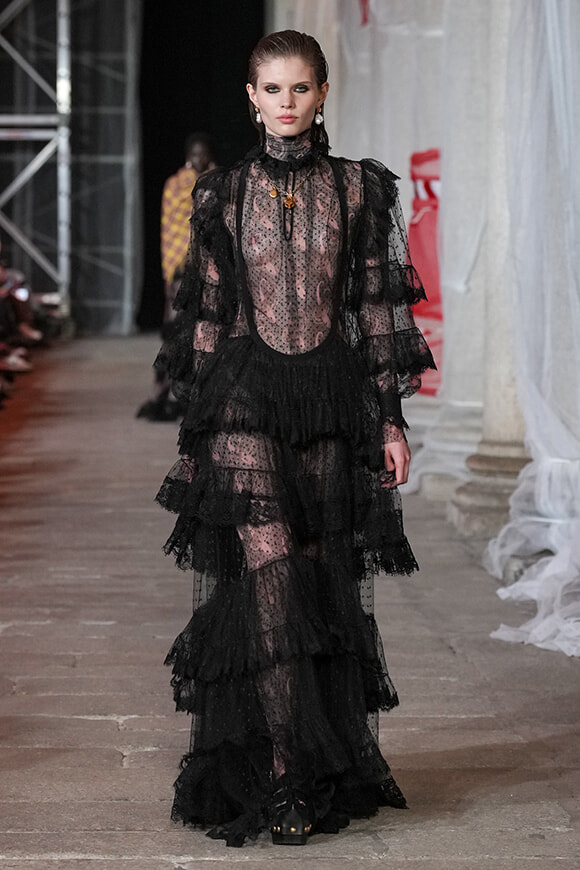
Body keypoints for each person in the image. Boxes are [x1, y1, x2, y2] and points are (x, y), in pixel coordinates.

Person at [155, 30, 435, 848]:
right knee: (272, 574)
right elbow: (210, 316)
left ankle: (313, 758)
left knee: (317, 579)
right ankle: (283, 773)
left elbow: (376, 310)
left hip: (329, 400)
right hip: (244, 397)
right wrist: (195, 432)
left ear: (321, 94)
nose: (286, 103)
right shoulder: (223, 192)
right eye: (272, 89)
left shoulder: (358, 189)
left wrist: (389, 421)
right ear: (251, 98)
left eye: (300, 88)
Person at [137, 132, 216, 421]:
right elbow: (169, 229)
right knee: (176, 332)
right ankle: (167, 394)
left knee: (205, 333)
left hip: (210, 268)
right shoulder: (174, 185)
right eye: (195, 154)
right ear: (187, 156)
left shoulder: (218, 183)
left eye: (203, 154)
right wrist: (170, 271)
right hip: (181, 268)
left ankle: (197, 399)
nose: (199, 159)